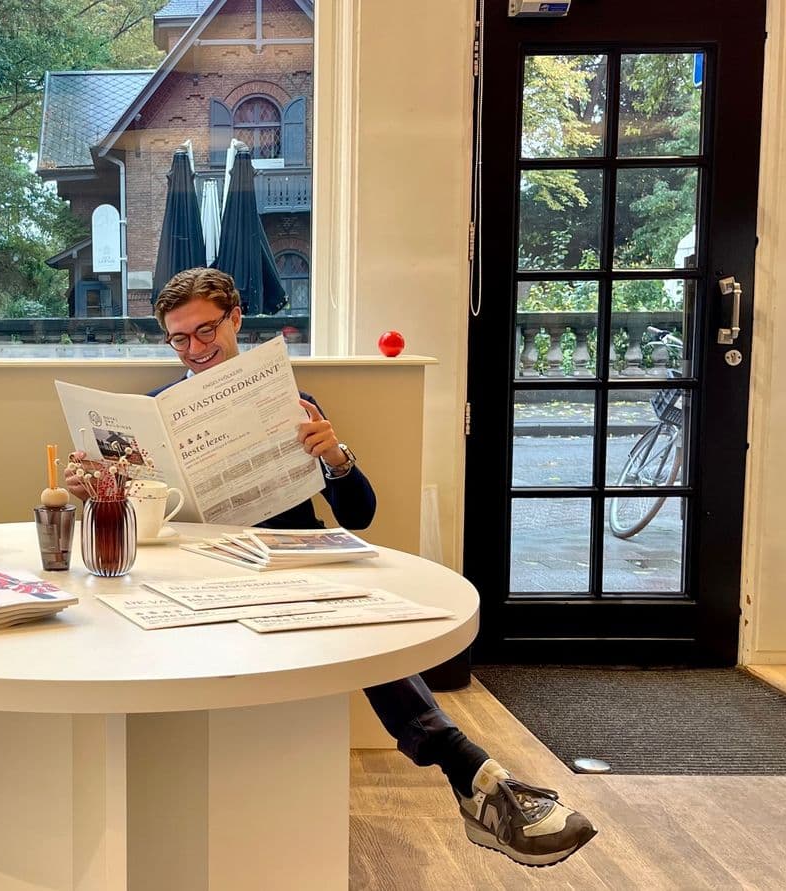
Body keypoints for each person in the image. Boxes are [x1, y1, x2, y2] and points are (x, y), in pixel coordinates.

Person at [68, 268, 597, 868]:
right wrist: (99, 489)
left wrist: (337, 458)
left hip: (291, 557)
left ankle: (473, 774)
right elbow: (144, 524)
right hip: (204, 565)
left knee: (352, 615)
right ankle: (475, 777)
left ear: (237, 318)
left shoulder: (293, 404)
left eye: (206, 330)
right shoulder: (160, 412)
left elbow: (362, 514)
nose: (195, 348)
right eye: (179, 339)